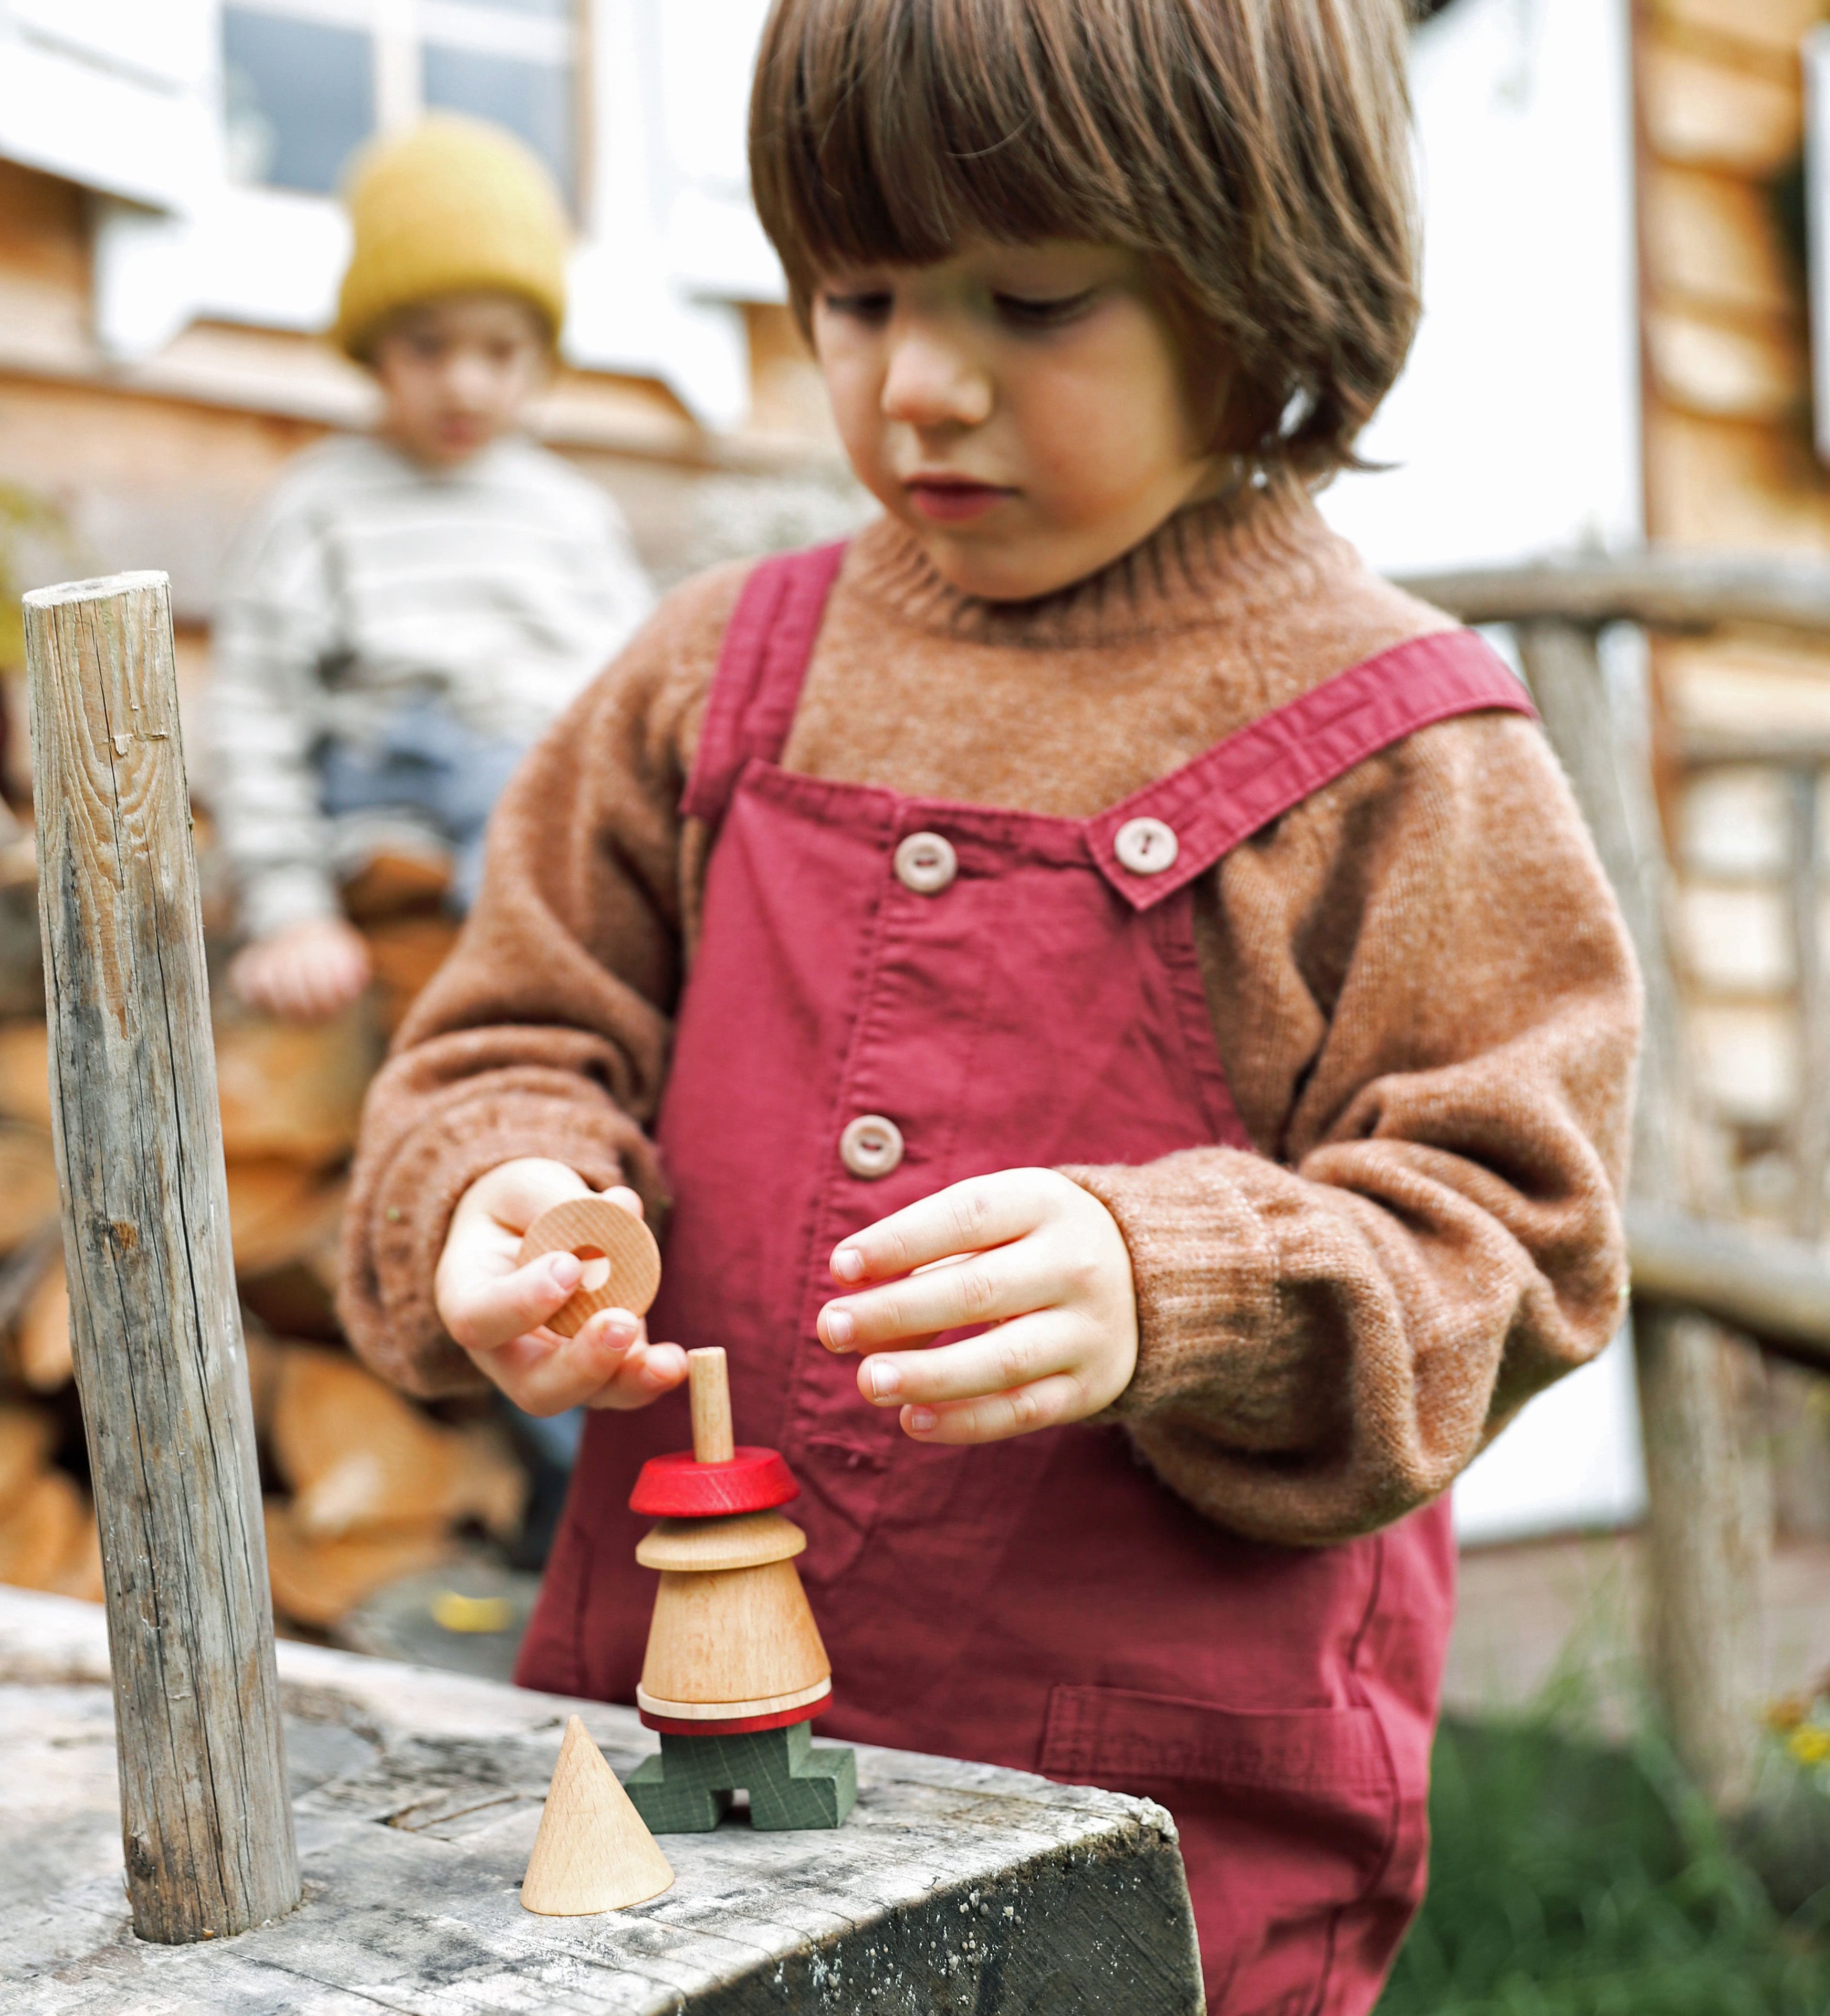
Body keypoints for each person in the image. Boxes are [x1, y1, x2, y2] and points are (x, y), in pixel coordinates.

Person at [339, 4, 1639, 2009]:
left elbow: (1512, 1234)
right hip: (681, 1794)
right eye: (857, 297)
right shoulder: (715, 678)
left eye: (1032, 301)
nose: (920, 384)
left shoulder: (1405, 753)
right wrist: (497, 1204)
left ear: (1263, 275)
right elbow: (516, 1038)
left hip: (1162, 1838)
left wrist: (1181, 1283)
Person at [211, 114, 651, 1023]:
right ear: (374, 348)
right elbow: (257, 707)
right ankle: (527, 1001)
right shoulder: (320, 506)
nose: (465, 384)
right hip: (389, 781)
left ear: (541, 359)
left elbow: (637, 690)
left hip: (539, 780)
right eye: (429, 348)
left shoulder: (570, 515)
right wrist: (290, 908)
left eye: (499, 352)